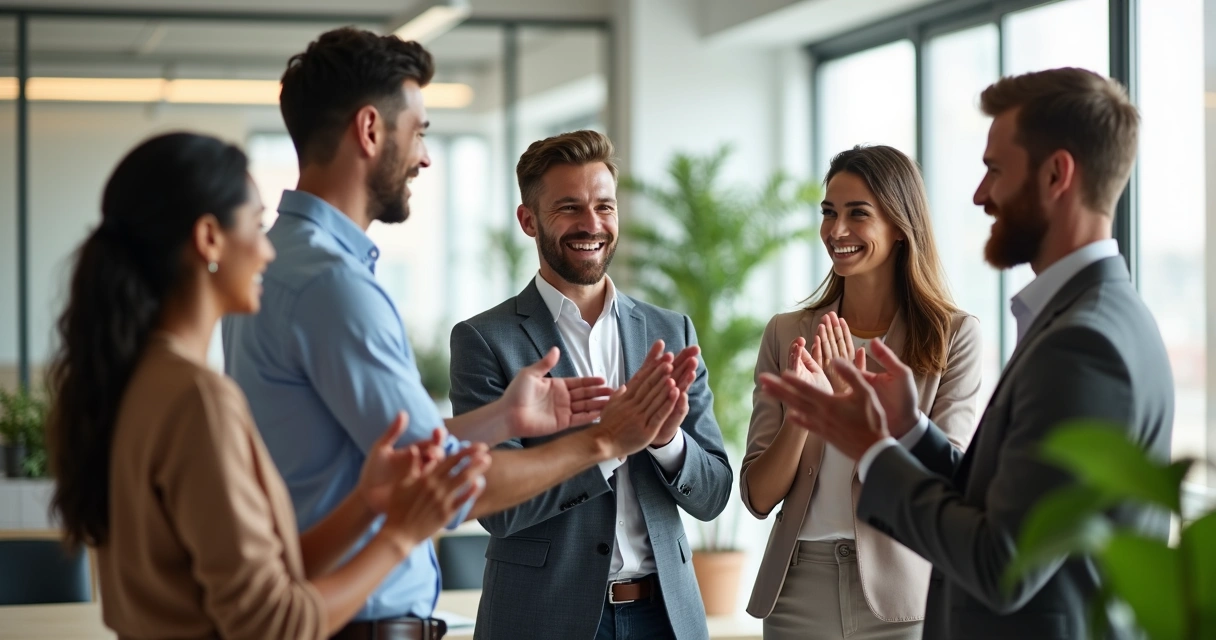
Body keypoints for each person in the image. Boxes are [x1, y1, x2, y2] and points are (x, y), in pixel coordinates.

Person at [222, 29, 682, 640]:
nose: (425, 157)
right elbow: (444, 486)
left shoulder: (272, 262)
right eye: (419, 132)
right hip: (353, 617)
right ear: (368, 130)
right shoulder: (334, 287)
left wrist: (498, 421)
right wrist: (602, 441)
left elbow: (392, 453)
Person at [761, 68, 1174, 640]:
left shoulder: (1085, 342)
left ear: (1057, 174)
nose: (980, 196)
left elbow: (1003, 561)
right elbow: (1005, 506)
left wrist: (871, 447)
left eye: (994, 171)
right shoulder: (1094, 317)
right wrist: (907, 429)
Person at [44, 132, 491, 640]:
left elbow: (258, 579)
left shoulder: (137, 380)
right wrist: (401, 533)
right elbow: (273, 625)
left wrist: (365, 502)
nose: (267, 251)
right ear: (209, 238)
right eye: (257, 226)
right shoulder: (197, 399)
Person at [449, 130, 733, 640]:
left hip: (664, 618)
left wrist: (666, 442)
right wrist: (606, 446)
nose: (592, 224)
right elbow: (496, 508)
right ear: (528, 220)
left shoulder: (672, 331)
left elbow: (713, 495)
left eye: (605, 206)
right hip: (544, 619)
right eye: (569, 208)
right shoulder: (483, 340)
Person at [740, 144, 982, 640]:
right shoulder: (787, 333)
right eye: (829, 213)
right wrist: (805, 414)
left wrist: (856, 412)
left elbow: (950, 483)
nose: (836, 231)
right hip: (795, 591)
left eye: (858, 214)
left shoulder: (954, 336)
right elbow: (759, 497)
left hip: (904, 593)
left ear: (899, 226)